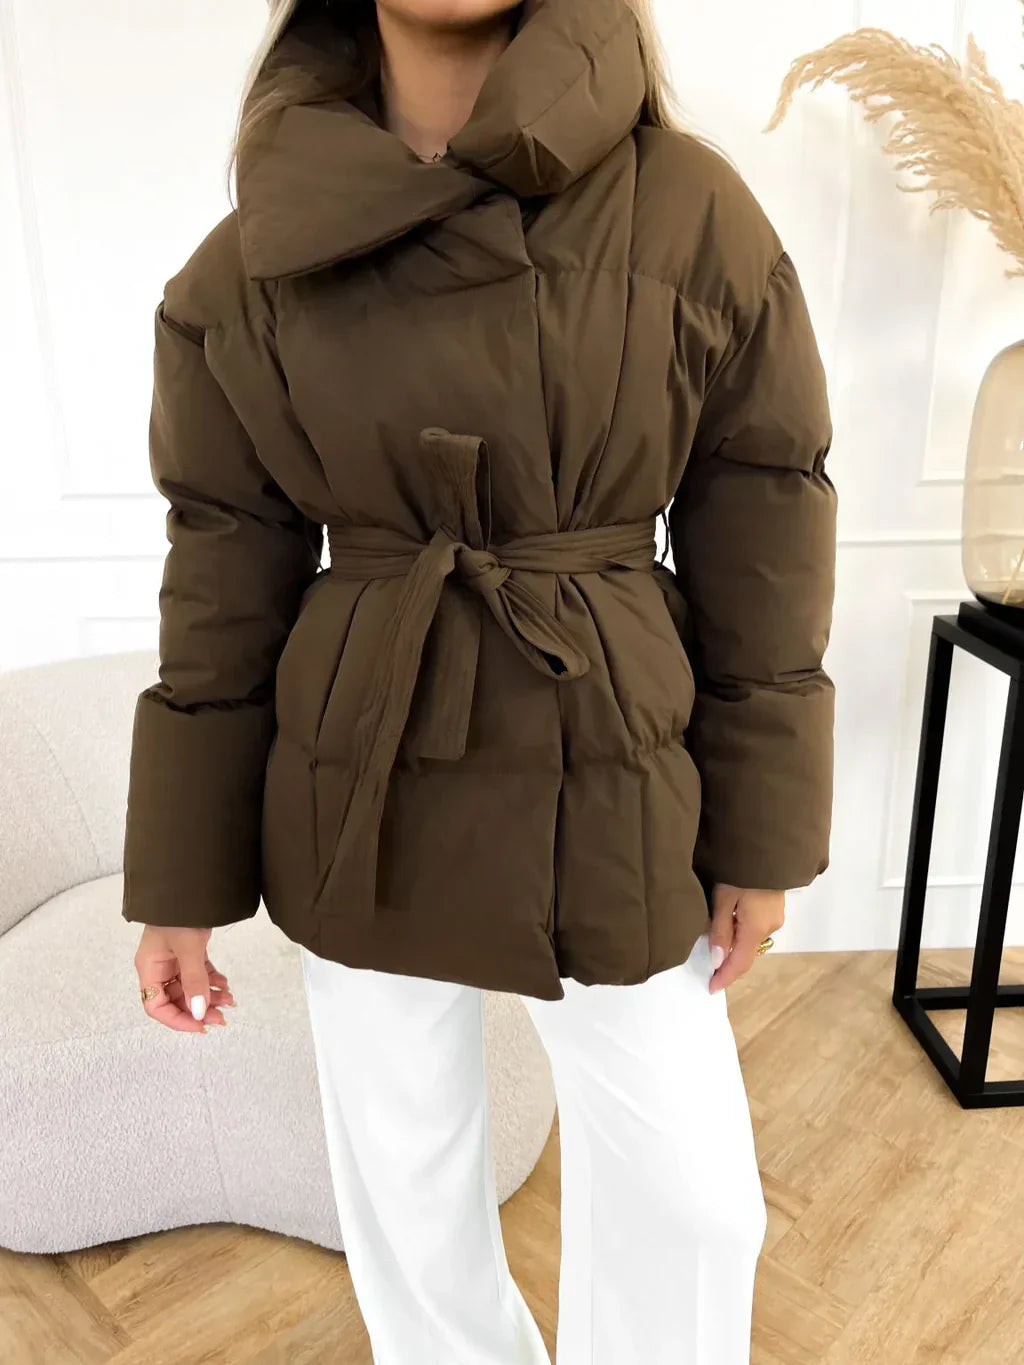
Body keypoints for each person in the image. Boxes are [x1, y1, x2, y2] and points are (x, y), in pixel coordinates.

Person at [124, 1, 837, 1361]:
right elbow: (221, 572)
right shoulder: (259, 246)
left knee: (695, 1201)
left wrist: (763, 831)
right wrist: (179, 879)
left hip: (613, 744)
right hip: (363, 756)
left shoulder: (690, 211)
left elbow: (765, 528)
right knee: (404, 1183)